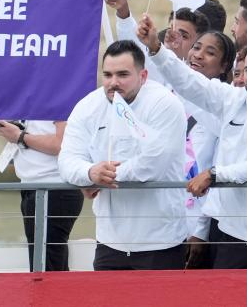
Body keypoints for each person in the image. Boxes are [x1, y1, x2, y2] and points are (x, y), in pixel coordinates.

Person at [142, 19, 247, 270]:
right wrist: (157, 49)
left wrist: (214, 174)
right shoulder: (233, 99)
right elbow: (190, 82)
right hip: (231, 233)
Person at [58, 41, 188, 271]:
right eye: (107, 75)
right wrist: (89, 172)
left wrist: (103, 177)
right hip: (110, 241)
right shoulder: (87, 106)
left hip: (160, 241)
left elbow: (152, 165)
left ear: (143, 75)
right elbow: (67, 160)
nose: (113, 82)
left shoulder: (165, 104)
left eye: (122, 74)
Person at [0, 119, 82, 272]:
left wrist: (20, 136)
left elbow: (61, 143)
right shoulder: (34, 98)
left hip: (53, 188)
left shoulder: (55, 96)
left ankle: (51, 296)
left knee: (45, 268)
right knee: (48, 264)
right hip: (36, 186)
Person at [183, 30, 237, 269]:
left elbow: (218, 170)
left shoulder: (223, 112)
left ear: (225, 66)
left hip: (196, 226)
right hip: (163, 224)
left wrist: (200, 231)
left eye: (210, 52)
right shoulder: (170, 98)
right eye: (196, 47)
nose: (199, 55)